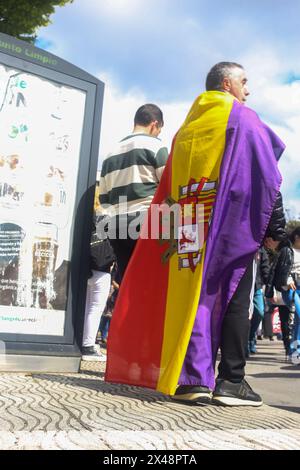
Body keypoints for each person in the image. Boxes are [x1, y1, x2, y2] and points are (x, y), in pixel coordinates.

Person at [105, 62, 286, 407]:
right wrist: (274, 228)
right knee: (234, 296)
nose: (248, 90)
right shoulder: (243, 118)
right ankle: (232, 380)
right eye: (244, 82)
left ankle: (192, 380)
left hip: (188, 223)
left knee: (193, 298)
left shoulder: (186, 128)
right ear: (228, 84)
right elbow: (267, 175)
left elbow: (170, 187)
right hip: (227, 221)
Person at [99, 104, 169, 282]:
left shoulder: (110, 154)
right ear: (154, 124)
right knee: (152, 281)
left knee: (127, 282)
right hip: (147, 221)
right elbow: (168, 185)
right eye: (158, 130)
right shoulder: (155, 146)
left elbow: (104, 198)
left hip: (117, 224)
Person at [81, 211, 116, 362]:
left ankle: (83, 341)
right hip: (102, 271)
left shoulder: (87, 222)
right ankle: (87, 345)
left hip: (86, 270)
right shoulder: (109, 222)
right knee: (95, 310)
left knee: (86, 309)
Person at [248, 247, 270, 354]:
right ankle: (245, 342)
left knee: (259, 312)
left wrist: (270, 287)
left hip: (257, 287)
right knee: (244, 315)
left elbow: (265, 269)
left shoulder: (261, 249)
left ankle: (251, 336)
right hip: (242, 288)